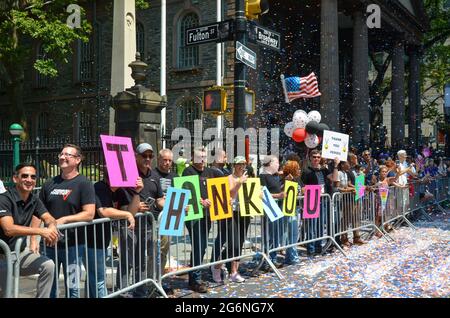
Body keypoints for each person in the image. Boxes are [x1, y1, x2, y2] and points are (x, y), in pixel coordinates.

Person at [39, 144, 96, 298]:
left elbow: (89, 214)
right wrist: (33, 241)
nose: (62, 157)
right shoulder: (49, 183)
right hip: (49, 244)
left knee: (73, 288)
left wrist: (64, 220)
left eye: (67, 155)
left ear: (78, 160)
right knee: (49, 286)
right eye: (61, 154)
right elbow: (37, 212)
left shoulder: (84, 183)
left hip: (73, 246)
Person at [0, 163, 59, 298]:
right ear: (15, 179)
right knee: (7, 294)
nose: (29, 180)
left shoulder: (34, 200)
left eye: (33, 177)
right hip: (2, 257)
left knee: (48, 265)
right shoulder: (4, 199)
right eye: (25, 176)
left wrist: (51, 227)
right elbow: (8, 229)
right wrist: (41, 232)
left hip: (18, 255)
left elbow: (49, 217)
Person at [115, 142, 165, 298]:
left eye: (150, 156)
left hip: (147, 225)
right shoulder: (127, 173)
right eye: (144, 155)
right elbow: (120, 202)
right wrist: (136, 207)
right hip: (129, 224)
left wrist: (174, 205)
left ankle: (140, 291)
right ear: (136, 156)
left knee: (140, 261)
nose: (148, 158)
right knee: (126, 261)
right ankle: (122, 292)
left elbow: (159, 200)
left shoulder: (154, 176)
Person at [83, 167, 143, 298]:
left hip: (102, 239)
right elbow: (103, 211)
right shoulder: (100, 187)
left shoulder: (119, 191)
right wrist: (127, 214)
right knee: (99, 278)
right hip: (89, 239)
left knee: (94, 277)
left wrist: (137, 193)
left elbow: (131, 211)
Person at [182, 147, 222, 293]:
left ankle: (194, 276)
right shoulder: (188, 171)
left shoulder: (211, 172)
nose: (202, 160)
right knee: (198, 245)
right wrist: (201, 200)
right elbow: (186, 189)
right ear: (193, 157)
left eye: (204, 157)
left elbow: (220, 188)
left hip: (207, 215)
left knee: (202, 246)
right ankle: (195, 280)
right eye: (199, 157)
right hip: (194, 215)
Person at [301, 150, 339, 255]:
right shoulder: (306, 171)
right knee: (311, 227)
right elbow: (302, 187)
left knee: (320, 226)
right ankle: (311, 249)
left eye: (318, 157)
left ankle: (318, 248)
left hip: (324, 200)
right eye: (314, 157)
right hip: (312, 199)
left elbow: (335, 179)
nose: (316, 159)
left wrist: (335, 165)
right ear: (310, 158)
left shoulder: (324, 170)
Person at [152, 149, 177, 275]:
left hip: (170, 217)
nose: (167, 163)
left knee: (164, 251)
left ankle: (160, 279)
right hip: (154, 217)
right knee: (152, 251)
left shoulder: (175, 177)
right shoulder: (152, 174)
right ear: (158, 159)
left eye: (170, 160)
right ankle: (151, 281)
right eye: (165, 160)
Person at [259, 155, 285, 268]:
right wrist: (278, 195)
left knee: (275, 235)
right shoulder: (262, 176)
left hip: (275, 209)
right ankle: (267, 260)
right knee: (269, 235)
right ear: (270, 163)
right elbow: (261, 193)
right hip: (269, 210)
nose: (278, 165)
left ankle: (272, 258)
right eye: (276, 163)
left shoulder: (272, 176)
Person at [280, 160, 301, 264]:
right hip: (288, 209)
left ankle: (290, 256)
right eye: (297, 168)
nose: (299, 170)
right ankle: (292, 257)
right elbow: (285, 192)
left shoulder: (297, 179)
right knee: (292, 233)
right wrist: (287, 182)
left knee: (294, 234)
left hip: (296, 208)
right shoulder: (285, 179)